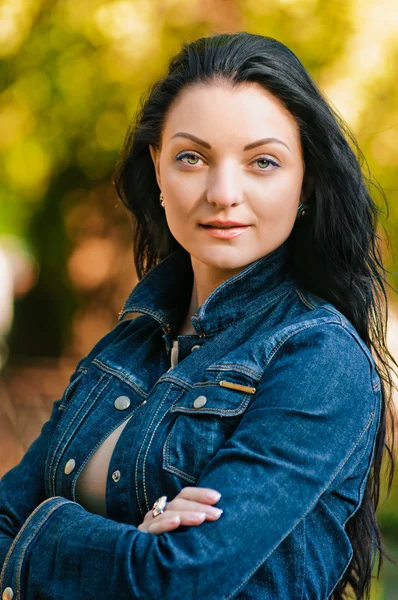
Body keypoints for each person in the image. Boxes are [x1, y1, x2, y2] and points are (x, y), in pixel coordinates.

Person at [0, 32, 396, 600]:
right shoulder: (129, 340)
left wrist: (46, 533)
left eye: (263, 162)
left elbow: (181, 579)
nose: (222, 192)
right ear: (158, 169)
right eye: (192, 157)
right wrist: (139, 543)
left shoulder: (318, 356)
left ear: (305, 180)